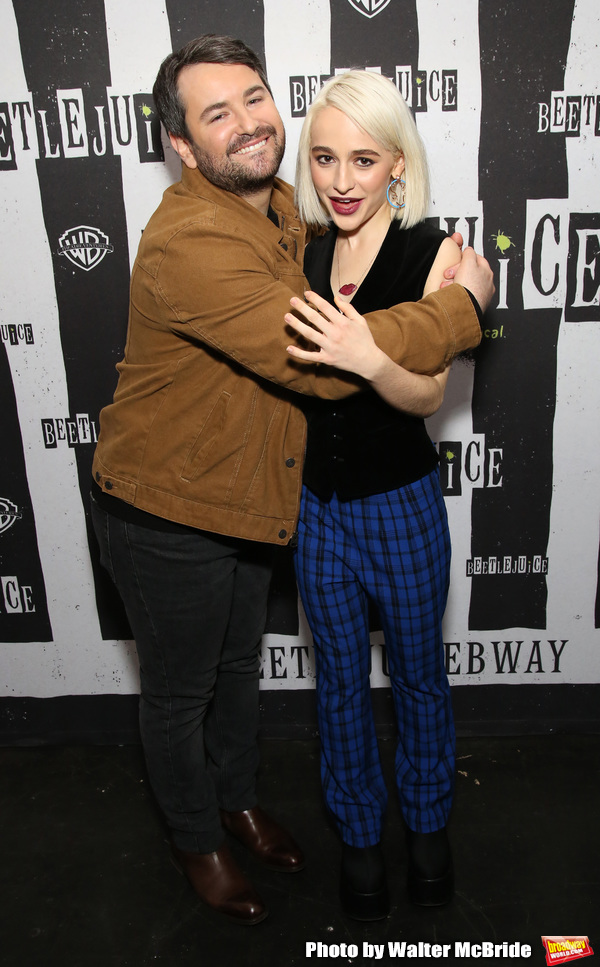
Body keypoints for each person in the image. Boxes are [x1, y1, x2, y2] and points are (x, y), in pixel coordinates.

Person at [90, 35, 494, 926]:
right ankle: (198, 839)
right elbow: (324, 364)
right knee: (180, 690)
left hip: (249, 498)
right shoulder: (191, 241)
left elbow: (391, 348)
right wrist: (465, 309)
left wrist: (427, 280)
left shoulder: (281, 211)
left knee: (238, 672)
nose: (247, 123)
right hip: (164, 505)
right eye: (216, 112)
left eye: (254, 97)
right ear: (183, 149)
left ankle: (237, 801)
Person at [284, 70, 481, 920]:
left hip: (401, 505)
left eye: (363, 159)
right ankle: (360, 836)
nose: (341, 179)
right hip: (317, 511)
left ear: (397, 163)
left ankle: (428, 828)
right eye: (325, 158)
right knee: (336, 683)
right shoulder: (302, 249)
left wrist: (369, 357)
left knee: (418, 679)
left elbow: (430, 396)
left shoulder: (433, 250)